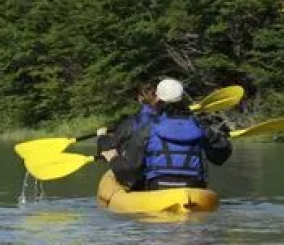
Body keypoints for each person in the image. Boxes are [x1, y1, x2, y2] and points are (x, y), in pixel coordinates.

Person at [99, 77, 231, 191]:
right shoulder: (199, 126)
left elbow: (129, 172)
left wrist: (114, 159)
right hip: (194, 186)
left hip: (157, 187)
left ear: (158, 99)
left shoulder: (147, 129)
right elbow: (221, 155)